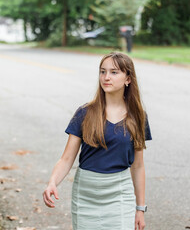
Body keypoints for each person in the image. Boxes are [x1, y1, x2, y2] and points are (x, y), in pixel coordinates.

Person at [43, 52, 152, 230]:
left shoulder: (138, 116)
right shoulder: (85, 113)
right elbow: (67, 158)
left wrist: (140, 209)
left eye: (114, 72)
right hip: (86, 194)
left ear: (128, 79)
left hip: (120, 194)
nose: (106, 77)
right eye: (103, 72)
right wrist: (52, 182)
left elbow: (138, 166)